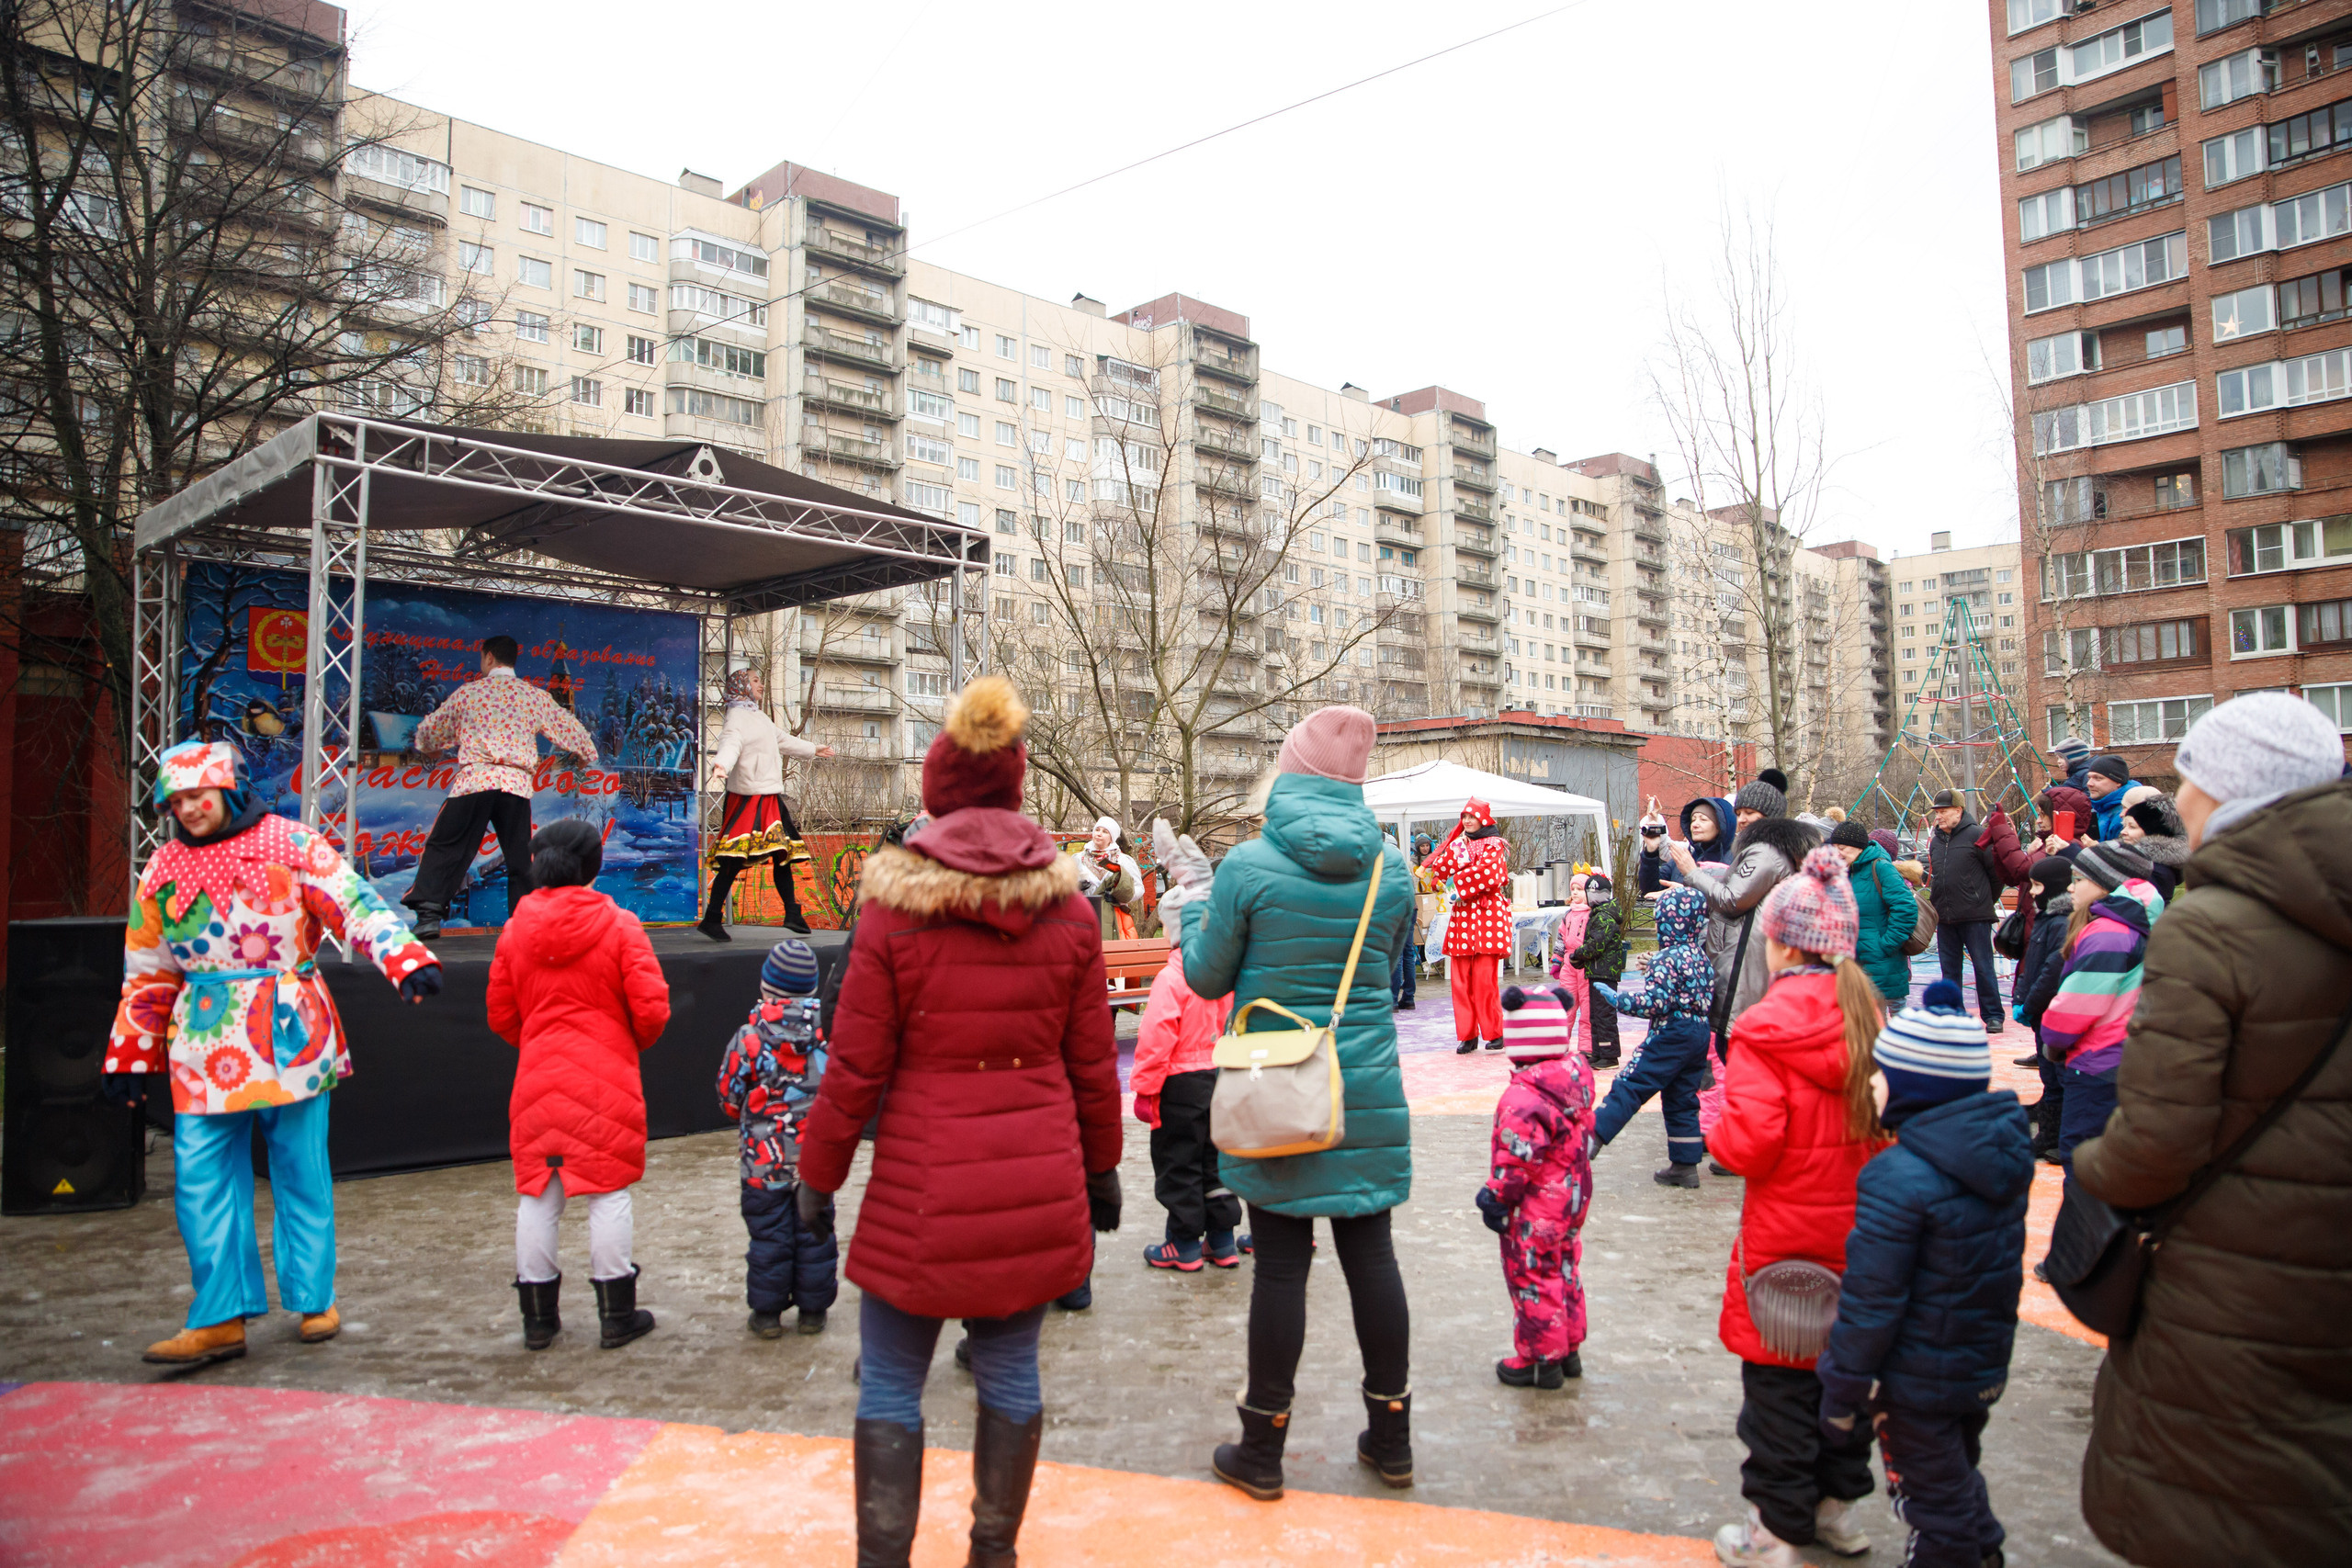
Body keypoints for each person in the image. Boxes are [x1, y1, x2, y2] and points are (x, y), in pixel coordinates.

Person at [796, 676, 1123, 1568]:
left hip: (922, 1193)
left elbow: (854, 1066)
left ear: (937, 794)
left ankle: (883, 1559)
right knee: (1013, 1374)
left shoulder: (892, 910)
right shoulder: (1071, 913)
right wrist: (1102, 1170)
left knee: (893, 1380)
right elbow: (1093, 1064)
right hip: (1037, 1184)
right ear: (1016, 791)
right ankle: (991, 1554)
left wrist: (816, 1177)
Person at [2072, 694, 2351, 1568]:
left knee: (2221, 1498)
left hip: (2233, 1268)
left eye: (2188, 779)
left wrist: (2091, 1170)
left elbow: (2154, 1140)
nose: (2177, 798)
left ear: (2229, 791)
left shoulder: (2217, 925)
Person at [1159, 704, 1418, 1502]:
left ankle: (1262, 1445)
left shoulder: (1247, 864)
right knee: (1371, 1254)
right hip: (1364, 1086)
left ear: (1293, 770)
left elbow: (1204, 978)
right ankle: (1393, 1437)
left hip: (1277, 1083)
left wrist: (1196, 901)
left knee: (1280, 1267)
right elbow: (1392, 961)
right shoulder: (1392, 869)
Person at [111, 740, 442, 1367]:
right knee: (202, 1179)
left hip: (288, 1031)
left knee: (299, 1168)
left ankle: (315, 1298)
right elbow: (146, 968)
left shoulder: (292, 844)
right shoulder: (161, 869)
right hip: (205, 1044)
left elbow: (354, 903)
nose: (188, 810)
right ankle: (219, 1314)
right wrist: (130, 1053)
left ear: (229, 790)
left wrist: (405, 958)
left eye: (197, 796)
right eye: (176, 801)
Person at [1706, 847, 1886, 1568]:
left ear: (1779, 943)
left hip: (1784, 1244)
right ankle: (1834, 1510)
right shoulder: (1871, 1017)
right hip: (1866, 1241)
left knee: (1778, 1393)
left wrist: (1714, 1119)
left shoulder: (1765, 1027)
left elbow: (1746, 1145)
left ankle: (1775, 1530)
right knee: (1847, 1383)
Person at [1818, 982, 2031, 1568]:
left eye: (1882, 1072)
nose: (1870, 1082)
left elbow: (1871, 1301)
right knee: (1953, 1474)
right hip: (1979, 1364)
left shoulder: (1899, 1178)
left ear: (1914, 1087)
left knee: (1928, 1502)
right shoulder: (1998, 1158)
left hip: (1917, 1379)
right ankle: (1984, 1548)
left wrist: (1842, 1388)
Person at [489, 818, 671, 1353]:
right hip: (605, 1077)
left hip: (538, 1077)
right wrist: (621, 1041)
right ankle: (617, 1314)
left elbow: (501, 1013)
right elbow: (652, 1009)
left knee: (539, 1197)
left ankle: (538, 1321)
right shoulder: (621, 926)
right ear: (594, 865)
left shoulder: (514, 928)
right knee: (608, 1191)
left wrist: (540, 1041)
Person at [402, 635, 599, 940]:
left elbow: (430, 733)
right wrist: (586, 755)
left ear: (490, 658)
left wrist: (431, 749)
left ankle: (429, 913)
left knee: (448, 844)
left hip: (475, 782)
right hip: (514, 785)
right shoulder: (532, 697)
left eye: (482, 659)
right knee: (521, 856)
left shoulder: (470, 694)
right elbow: (570, 728)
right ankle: (524, 921)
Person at [716, 938, 836, 1338]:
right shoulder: (830, 1036)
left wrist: (747, 1116)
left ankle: (767, 1315)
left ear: (766, 988)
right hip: (814, 1163)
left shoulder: (749, 1038)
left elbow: (729, 1094)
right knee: (815, 1234)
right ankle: (813, 1312)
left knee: (769, 1237)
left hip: (762, 1164)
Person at [1477, 985, 1596, 1389]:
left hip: (1537, 1208)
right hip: (1572, 1202)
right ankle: (1570, 1349)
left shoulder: (1522, 1098)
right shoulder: (1574, 1081)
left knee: (1532, 1276)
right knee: (1564, 1268)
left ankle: (1540, 1360)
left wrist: (1494, 1198)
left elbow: (1515, 1161)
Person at [2034, 841, 2161, 1172]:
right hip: (2124, 1057)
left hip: (2098, 1062)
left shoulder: (2109, 933)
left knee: (2085, 1164)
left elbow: (2076, 1007)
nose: (2072, 888)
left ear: (2105, 884)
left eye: (2079, 880)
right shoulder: (2130, 925)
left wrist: (2053, 1038)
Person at [1589, 886, 1718, 1186]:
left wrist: (1620, 1000)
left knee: (1632, 1082)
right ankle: (1685, 1166)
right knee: (1682, 1097)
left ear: (1665, 922)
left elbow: (1654, 1004)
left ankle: (1592, 1136)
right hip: (1699, 1032)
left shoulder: (1666, 959)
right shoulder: (1701, 958)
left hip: (1671, 1032)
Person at [1671, 777, 1816, 1034]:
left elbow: (1732, 899)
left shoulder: (1764, 852)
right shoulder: (1771, 850)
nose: (1742, 819)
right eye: (1739, 813)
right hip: (1745, 956)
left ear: (1769, 815)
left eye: (1750, 812)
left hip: (1743, 960)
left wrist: (1692, 873)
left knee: (1736, 1042)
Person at [1130, 938, 1240, 1271]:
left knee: (1180, 1162)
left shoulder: (1171, 977)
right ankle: (1222, 1240)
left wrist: (1145, 1089)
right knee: (1216, 1160)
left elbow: (1156, 1038)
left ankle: (1183, 1242)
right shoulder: (1222, 975)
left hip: (1179, 1084)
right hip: (1219, 1075)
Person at [703, 667, 835, 940]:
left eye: (760, 681)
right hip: (748, 798)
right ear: (741, 685)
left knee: (781, 853)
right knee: (733, 858)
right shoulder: (736, 718)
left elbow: (783, 740)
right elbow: (730, 743)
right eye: (754, 680)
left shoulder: (758, 716)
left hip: (769, 797)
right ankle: (713, 917)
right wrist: (720, 764)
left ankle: (791, 913)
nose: (760, 685)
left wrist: (813, 749)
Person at [2009, 856, 2077, 1162]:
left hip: (2050, 1011)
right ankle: (2052, 1132)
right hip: (2040, 1010)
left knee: (2056, 1078)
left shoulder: (2061, 923)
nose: (2033, 892)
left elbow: (2052, 970)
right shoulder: (2047, 918)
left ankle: (2053, 1134)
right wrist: (2021, 996)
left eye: (2037, 885)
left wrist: (2031, 1001)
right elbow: (2032, 963)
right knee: (2050, 1077)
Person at [1924, 789, 2006, 1032]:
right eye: (1936, 812)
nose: (1938, 817)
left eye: (1943, 811)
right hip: (1945, 916)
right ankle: (1952, 1014)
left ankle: (1993, 1015)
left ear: (1958, 811)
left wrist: (1983, 900)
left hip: (1975, 915)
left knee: (1983, 966)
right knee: (1949, 970)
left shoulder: (1978, 835)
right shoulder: (1937, 840)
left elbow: (1996, 875)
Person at [1435, 797, 1512, 1054]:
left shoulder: (1495, 845)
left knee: (1483, 980)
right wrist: (1438, 872)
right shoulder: (1460, 843)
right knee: (1460, 982)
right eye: (1464, 817)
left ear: (1483, 819)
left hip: (1487, 918)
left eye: (1472, 816)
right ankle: (1467, 1035)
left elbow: (1490, 875)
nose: (1467, 821)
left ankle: (1494, 1032)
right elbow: (1440, 869)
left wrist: (1455, 881)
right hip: (1463, 920)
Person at [1827, 818, 1917, 1010]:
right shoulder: (1844, 872)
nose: (1837, 853)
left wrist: (1886, 944)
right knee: (1869, 1019)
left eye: (1842, 847)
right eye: (1834, 847)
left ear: (1858, 847)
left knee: (1895, 1011)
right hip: (1856, 959)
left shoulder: (1881, 867)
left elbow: (1906, 908)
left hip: (1883, 958)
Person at [1563, 871, 1626, 1068]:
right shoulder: (1599, 915)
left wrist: (1579, 955)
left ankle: (1609, 1055)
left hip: (1604, 973)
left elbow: (1596, 944)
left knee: (1603, 1014)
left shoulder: (1604, 918)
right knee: (1595, 1015)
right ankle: (1598, 1051)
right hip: (1595, 971)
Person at [2115, 788, 2189, 903]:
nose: (2123, 832)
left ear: (2151, 832)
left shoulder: (2154, 871)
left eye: (2132, 827)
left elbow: (2139, 910)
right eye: (2125, 826)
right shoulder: (2144, 863)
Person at [1550, 870, 1591, 1057]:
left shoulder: (1592, 914)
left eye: (1579, 889)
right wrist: (1557, 960)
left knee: (1588, 1006)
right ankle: (1559, 1043)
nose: (1575, 893)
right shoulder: (1568, 915)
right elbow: (1561, 938)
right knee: (1565, 1005)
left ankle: (1587, 1046)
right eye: (1572, 889)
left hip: (1585, 963)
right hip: (1568, 963)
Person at [2081, 754, 2139, 840]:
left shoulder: (2125, 814)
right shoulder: (2099, 807)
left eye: (2098, 778)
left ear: (2118, 782)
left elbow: (2123, 853)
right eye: (2089, 777)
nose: (2089, 783)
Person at [1636, 799, 1671, 897]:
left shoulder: (1689, 857)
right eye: (1693, 819)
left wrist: (1681, 890)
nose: (1695, 824)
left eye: (1703, 819)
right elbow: (1650, 888)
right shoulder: (1682, 857)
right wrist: (1651, 850)